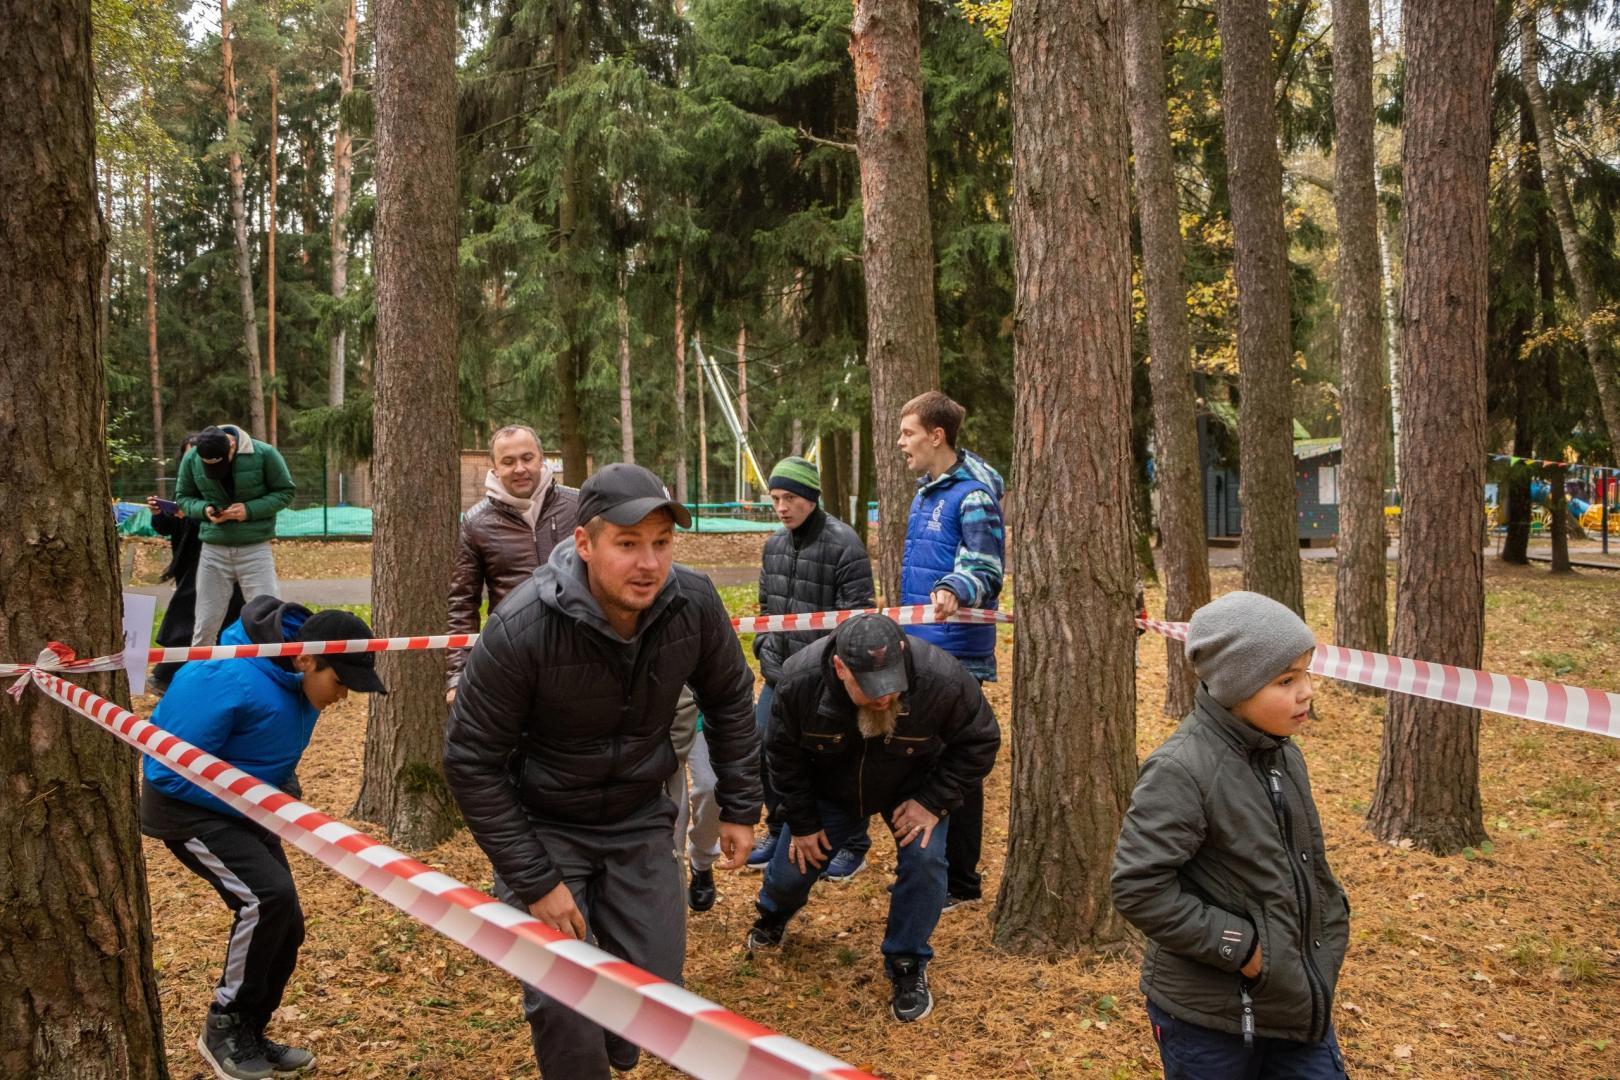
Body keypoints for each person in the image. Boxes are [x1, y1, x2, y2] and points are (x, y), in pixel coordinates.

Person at [443, 463, 762, 1080]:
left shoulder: (691, 603)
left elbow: (729, 698)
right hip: (545, 825)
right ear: (585, 543)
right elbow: (469, 760)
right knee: (565, 1003)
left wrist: (741, 806)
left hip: (640, 818)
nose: (648, 563)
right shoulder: (520, 627)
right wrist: (536, 881)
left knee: (654, 997)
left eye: (662, 543)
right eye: (628, 543)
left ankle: (619, 1040)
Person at [142, 597, 388, 1080]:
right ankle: (223, 1026)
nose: (342, 698)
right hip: (186, 811)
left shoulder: (303, 679)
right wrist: (260, 799)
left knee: (287, 920)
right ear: (305, 659)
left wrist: (282, 790)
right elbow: (164, 770)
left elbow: (264, 749)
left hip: (249, 807)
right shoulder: (225, 675)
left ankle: (251, 1030)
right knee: (266, 900)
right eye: (340, 684)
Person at [1111, 591, 1350, 1080]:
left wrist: (1329, 918)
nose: (1307, 691)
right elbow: (1138, 887)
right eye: (1286, 680)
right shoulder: (1181, 770)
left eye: (1306, 672)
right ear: (1235, 688)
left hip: (1294, 1002)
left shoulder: (1283, 754)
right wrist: (1240, 948)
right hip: (1209, 1021)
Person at [747, 613, 999, 1023]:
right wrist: (805, 824)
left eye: (890, 685)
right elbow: (781, 757)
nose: (883, 699)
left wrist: (933, 802)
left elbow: (981, 740)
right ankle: (772, 915)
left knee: (926, 861)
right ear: (840, 668)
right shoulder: (799, 680)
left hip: (912, 788)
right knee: (792, 869)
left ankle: (906, 963)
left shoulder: (942, 678)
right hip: (832, 790)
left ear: (901, 654)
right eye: (870, 688)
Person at [895, 390, 1005, 911]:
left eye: (908, 432)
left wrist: (953, 589)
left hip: (958, 655)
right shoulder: (925, 494)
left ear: (936, 436)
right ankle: (933, 875)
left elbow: (986, 568)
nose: (901, 443)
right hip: (922, 649)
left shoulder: (974, 496)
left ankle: (960, 883)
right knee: (925, 763)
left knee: (956, 768)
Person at [744, 456, 876, 880]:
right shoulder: (774, 545)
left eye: (791, 498)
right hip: (777, 675)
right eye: (776, 498)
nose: (782, 507)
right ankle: (780, 826)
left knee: (837, 762)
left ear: (812, 499)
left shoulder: (844, 543)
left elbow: (858, 618)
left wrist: (830, 670)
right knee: (768, 750)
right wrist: (767, 646)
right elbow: (767, 609)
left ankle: (854, 842)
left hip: (826, 680)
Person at [446, 424, 578, 703]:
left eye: (527, 458)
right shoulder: (476, 523)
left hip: (579, 654)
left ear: (541, 459)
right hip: (512, 658)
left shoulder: (578, 507)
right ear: (494, 468)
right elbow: (462, 602)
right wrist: (458, 677)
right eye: (508, 462)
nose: (519, 468)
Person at [175, 424, 296, 648]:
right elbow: (183, 497)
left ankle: (272, 676)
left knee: (268, 618)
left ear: (232, 446)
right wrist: (205, 510)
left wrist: (249, 510)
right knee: (205, 624)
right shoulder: (192, 458)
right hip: (213, 550)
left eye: (222, 462)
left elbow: (286, 491)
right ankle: (200, 678)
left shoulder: (265, 453)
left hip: (254, 548)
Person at [147, 436, 245, 694]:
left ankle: (168, 675)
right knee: (192, 619)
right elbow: (167, 527)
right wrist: (159, 514)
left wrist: (195, 514)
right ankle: (175, 675)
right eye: (189, 456)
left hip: (218, 562)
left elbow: (223, 522)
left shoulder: (222, 487)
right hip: (189, 564)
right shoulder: (185, 490)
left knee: (197, 619)